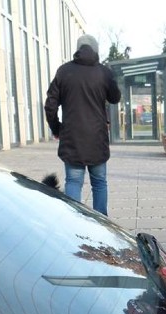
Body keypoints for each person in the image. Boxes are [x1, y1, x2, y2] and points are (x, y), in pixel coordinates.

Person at [44, 34, 120, 215]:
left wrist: (57, 129)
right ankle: (102, 225)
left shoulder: (64, 71)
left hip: (72, 139)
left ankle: (75, 226)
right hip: (97, 139)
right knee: (99, 182)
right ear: (96, 50)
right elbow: (115, 97)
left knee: (73, 182)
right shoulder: (103, 72)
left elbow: (50, 105)